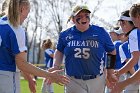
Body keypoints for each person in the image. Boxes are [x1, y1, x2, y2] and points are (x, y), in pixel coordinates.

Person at [0, 0, 69, 93]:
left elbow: (17, 60)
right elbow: (21, 63)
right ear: (22, 9)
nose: (26, 17)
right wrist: (50, 75)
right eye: (27, 14)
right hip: (6, 77)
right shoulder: (16, 29)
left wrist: (28, 78)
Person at [48, 4, 117, 93]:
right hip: (73, 80)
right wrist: (55, 66)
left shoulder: (101, 32)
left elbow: (111, 51)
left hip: (97, 79)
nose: (84, 18)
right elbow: (59, 50)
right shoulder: (65, 34)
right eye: (79, 16)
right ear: (73, 19)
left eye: (86, 15)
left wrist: (110, 72)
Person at [110, 4, 140, 93]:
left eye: (134, 22)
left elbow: (134, 59)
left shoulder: (134, 34)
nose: (136, 27)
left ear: (138, 17)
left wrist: (122, 80)